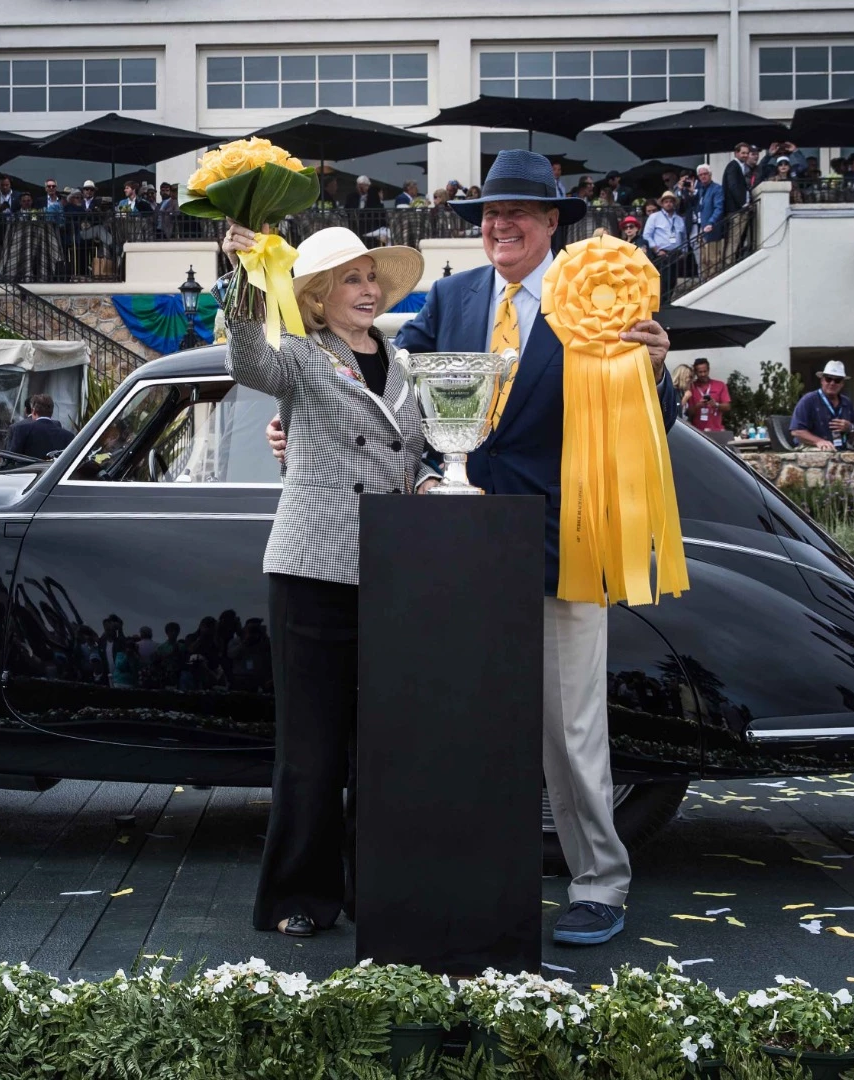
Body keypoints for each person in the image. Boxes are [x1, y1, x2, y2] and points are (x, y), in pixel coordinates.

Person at [347, 149, 676, 946]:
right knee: (455, 716)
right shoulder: (452, 296)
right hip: (455, 546)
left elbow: (645, 426)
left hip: (566, 537)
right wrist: (359, 444)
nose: (499, 225)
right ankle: (465, 865)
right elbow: (397, 400)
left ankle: (598, 880)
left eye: (517, 213)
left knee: (571, 727)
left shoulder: (594, 297)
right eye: (489, 214)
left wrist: (654, 375)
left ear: (551, 222)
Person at [221, 222, 436, 940]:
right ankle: (296, 899)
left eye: (372, 277)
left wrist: (433, 479)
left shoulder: (407, 363)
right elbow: (249, 364)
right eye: (351, 278)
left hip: (393, 572)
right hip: (312, 569)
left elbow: (422, 449)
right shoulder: (302, 358)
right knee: (310, 755)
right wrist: (248, 278)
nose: (368, 288)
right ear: (315, 295)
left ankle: (377, 891)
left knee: (382, 750)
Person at [790, 361, 854, 450]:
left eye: (837, 380)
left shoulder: (847, 403)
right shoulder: (808, 400)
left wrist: (850, 427)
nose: (832, 383)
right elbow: (796, 431)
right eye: (828, 379)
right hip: (812, 447)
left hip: (840, 447)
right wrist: (818, 441)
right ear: (822, 381)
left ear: (842, 384)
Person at [6, 393, 75, 458]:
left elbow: (12, 459)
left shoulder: (21, 430)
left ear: (33, 411)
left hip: (29, 470)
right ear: (52, 411)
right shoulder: (68, 436)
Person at [686, 358, 730, 433]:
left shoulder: (720, 385)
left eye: (705, 371)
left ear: (709, 370)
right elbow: (686, 413)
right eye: (700, 372)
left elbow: (727, 407)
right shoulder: (691, 387)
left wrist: (716, 405)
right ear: (695, 372)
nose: (703, 374)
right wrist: (698, 406)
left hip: (716, 430)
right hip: (697, 432)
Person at [643, 191, 686, 259]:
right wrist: (657, 250)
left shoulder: (679, 219)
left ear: (674, 203)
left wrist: (684, 252)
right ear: (662, 204)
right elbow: (646, 235)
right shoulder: (654, 217)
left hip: (678, 255)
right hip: (662, 254)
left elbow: (684, 238)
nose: (668, 204)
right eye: (666, 202)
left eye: (671, 201)